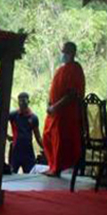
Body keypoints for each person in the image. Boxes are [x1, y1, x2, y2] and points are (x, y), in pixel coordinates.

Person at [42, 42, 86, 177]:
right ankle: (52, 165)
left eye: (66, 52)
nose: (63, 55)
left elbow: (72, 94)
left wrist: (56, 106)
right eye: (63, 52)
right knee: (47, 136)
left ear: (72, 53)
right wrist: (50, 104)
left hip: (66, 112)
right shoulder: (61, 69)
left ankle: (57, 169)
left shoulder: (75, 69)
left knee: (60, 140)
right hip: (54, 112)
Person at [8, 92, 44, 174]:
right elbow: (1, 123)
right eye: (19, 101)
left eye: (23, 101)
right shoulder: (13, 115)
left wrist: (45, 149)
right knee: (11, 174)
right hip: (15, 150)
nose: (21, 103)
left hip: (28, 152)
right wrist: (8, 137)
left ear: (28, 101)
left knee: (30, 175)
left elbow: (38, 137)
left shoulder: (34, 118)